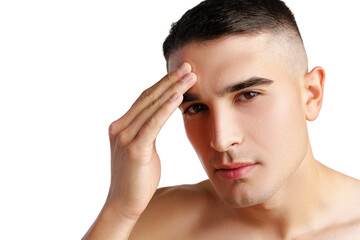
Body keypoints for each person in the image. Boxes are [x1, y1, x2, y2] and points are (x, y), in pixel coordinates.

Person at [83, 0, 360, 239]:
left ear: (311, 95)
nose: (221, 140)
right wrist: (119, 209)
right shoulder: (149, 221)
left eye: (248, 95)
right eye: (196, 108)